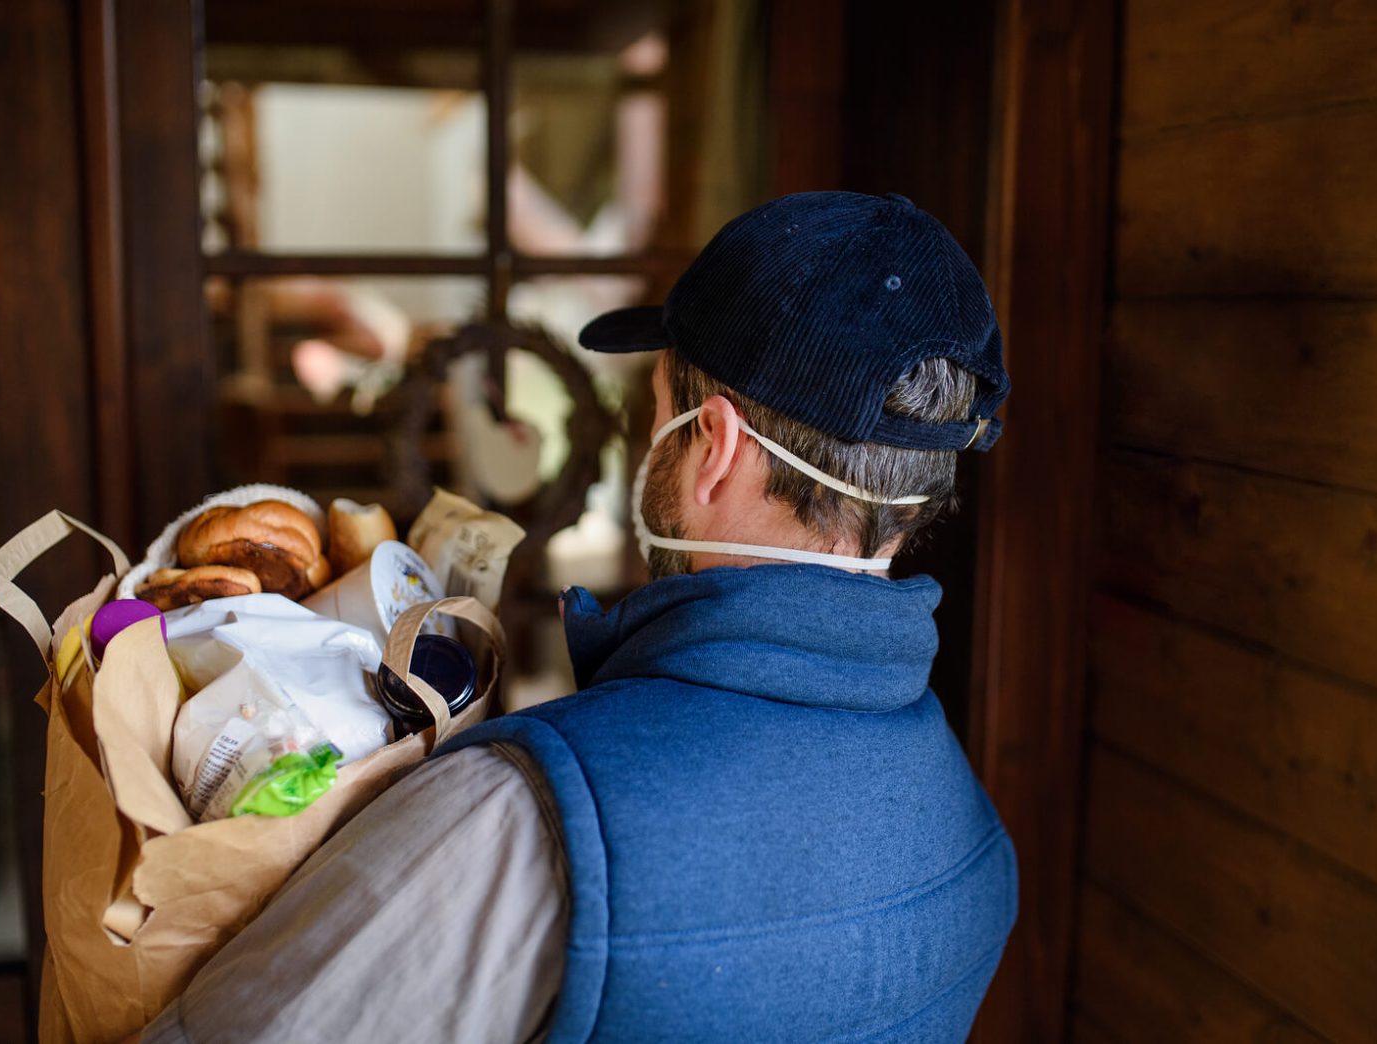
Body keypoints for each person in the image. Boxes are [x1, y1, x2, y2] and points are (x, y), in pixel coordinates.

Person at [142, 191, 1018, 1044]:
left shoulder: (519, 815)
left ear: (712, 450)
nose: (649, 444)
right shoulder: (979, 847)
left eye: (656, 415)